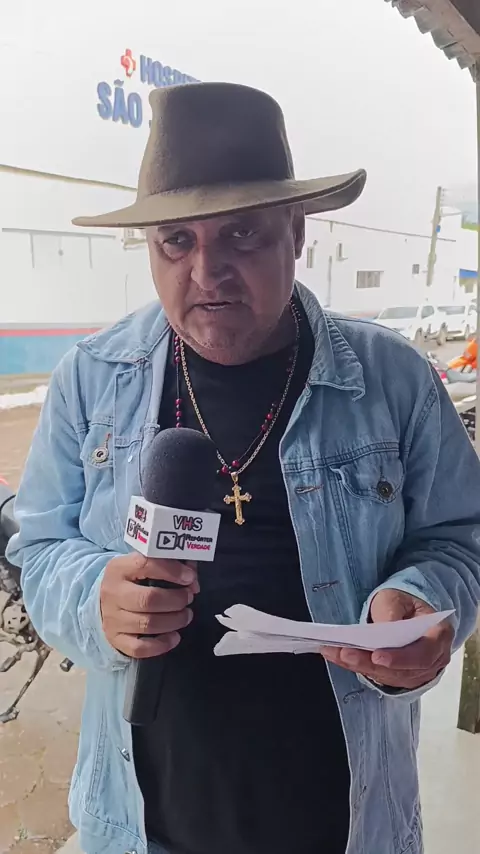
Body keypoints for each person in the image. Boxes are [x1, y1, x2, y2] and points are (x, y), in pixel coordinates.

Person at [7, 82, 480, 854]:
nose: (208, 272)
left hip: (344, 821)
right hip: (144, 822)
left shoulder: (395, 382)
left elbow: (462, 537)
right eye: (176, 242)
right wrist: (97, 601)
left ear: (297, 232)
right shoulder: (90, 380)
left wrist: (424, 599)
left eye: (242, 235)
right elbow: (41, 549)